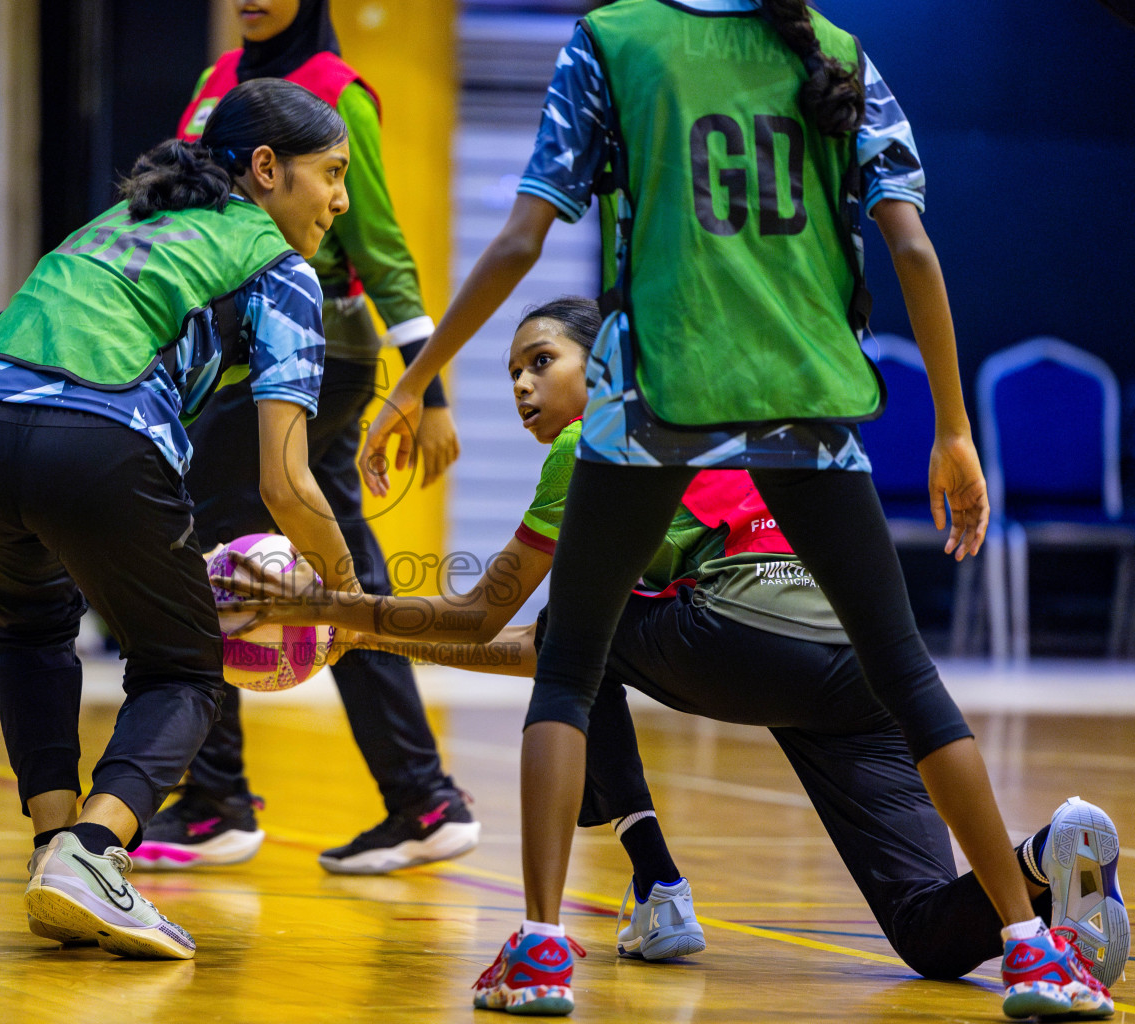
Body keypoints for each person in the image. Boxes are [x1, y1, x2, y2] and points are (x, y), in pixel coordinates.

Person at [354, 2, 1113, 1015]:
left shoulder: (615, 38)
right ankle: (1030, 943)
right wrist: (953, 429)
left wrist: (415, 382)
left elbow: (522, 236)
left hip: (660, 394)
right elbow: (916, 253)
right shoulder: (839, 50)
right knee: (908, 671)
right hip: (809, 398)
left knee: (572, 665)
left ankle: (540, 949)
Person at [220, 298, 1125, 1017]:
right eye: (513, 377)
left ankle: (649, 893)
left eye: (543, 362)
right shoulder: (746, 417)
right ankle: (1048, 861)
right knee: (928, 937)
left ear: (602, 362)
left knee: (581, 645)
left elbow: (488, 620)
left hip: (742, 634)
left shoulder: (594, 443)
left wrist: (329, 613)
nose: (526, 389)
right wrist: (356, 629)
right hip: (860, 667)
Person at [0, 79, 361, 962]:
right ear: (267, 170)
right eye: (333, 172)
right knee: (187, 665)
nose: (343, 198)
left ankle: (54, 847)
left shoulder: (114, 222)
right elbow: (285, 481)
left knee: (33, 621)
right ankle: (94, 853)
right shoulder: (278, 264)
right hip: (96, 442)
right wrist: (341, 593)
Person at [131, 0, 478, 877]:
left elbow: (384, 247)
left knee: (209, 555)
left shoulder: (337, 91)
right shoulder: (218, 80)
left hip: (318, 351)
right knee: (307, 560)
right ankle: (417, 795)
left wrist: (427, 392)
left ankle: (221, 798)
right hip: (236, 360)